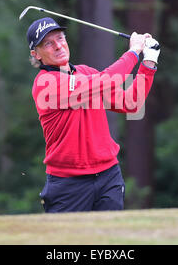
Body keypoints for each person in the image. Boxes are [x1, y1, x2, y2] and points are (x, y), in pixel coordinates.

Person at [27, 17, 160, 212]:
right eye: (48, 43)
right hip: (68, 183)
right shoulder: (45, 84)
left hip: (108, 176)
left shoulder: (86, 72)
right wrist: (133, 53)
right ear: (36, 54)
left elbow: (131, 103)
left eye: (60, 38)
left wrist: (148, 62)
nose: (58, 46)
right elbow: (104, 82)